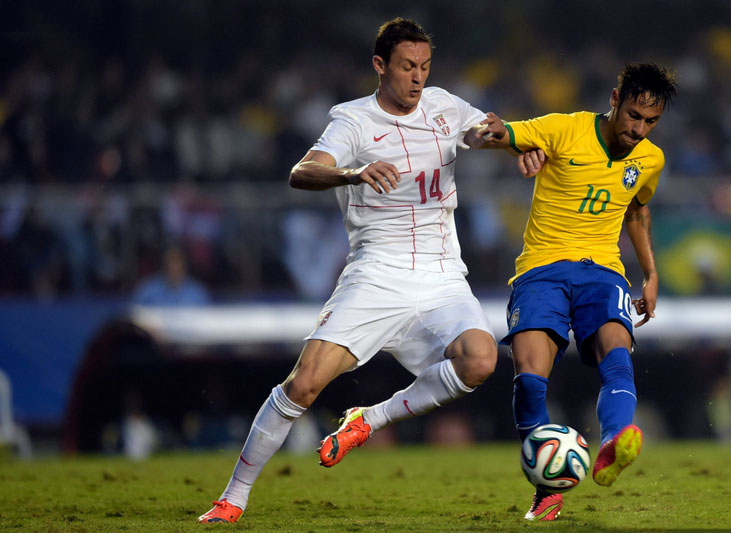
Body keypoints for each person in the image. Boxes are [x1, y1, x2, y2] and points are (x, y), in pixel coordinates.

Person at [198, 18, 545, 524]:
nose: (418, 78)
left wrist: (520, 143)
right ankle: (234, 496)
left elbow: (484, 129)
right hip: (375, 274)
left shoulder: (446, 106)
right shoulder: (353, 121)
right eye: (407, 66)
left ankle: (370, 419)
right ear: (380, 65)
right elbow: (302, 172)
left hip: (442, 275)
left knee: (481, 359)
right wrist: (353, 172)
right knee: (304, 384)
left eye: (425, 67)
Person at [470, 63, 677, 521]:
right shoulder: (565, 128)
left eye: (650, 122)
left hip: (603, 270)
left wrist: (650, 273)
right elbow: (507, 133)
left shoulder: (651, 159)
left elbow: (637, 211)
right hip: (540, 270)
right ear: (615, 98)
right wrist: (492, 134)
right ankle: (547, 490)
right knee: (529, 373)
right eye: (634, 116)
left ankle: (613, 443)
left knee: (615, 349)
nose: (639, 129)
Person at [132, 245, 210, 306]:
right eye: (170, 261)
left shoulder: (197, 293)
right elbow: (134, 317)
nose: (173, 267)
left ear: (185, 264)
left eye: (177, 261)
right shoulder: (147, 291)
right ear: (163, 264)